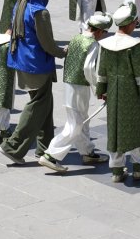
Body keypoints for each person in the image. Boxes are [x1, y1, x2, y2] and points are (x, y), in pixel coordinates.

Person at [0, 0, 67, 165]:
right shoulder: (39, 11)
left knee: (45, 103)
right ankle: (12, 146)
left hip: (21, 60)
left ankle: (45, 148)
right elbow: (47, 42)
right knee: (38, 104)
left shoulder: (21, 2)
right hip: (36, 63)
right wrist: (62, 52)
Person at [38, 12, 113, 173]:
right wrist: (99, 89)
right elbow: (89, 69)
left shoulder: (76, 38)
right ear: (99, 31)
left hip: (69, 84)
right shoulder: (92, 43)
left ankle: (88, 152)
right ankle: (51, 155)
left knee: (81, 120)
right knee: (75, 125)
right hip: (80, 87)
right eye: (105, 32)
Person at [96, 1, 140, 183]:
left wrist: (102, 90)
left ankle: (116, 170)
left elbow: (102, 72)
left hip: (113, 91)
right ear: (130, 23)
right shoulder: (134, 46)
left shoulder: (106, 45)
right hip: (129, 92)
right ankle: (139, 167)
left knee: (114, 128)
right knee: (135, 129)